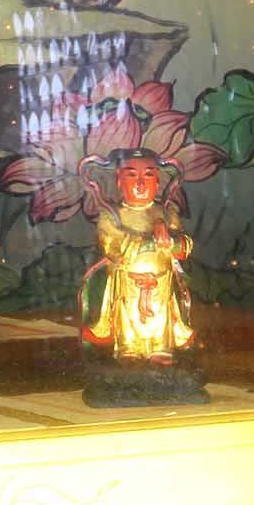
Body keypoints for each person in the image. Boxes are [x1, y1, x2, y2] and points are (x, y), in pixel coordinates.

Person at [78, 148, 196, 364]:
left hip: (161, 281)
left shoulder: (166, 213)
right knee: (126, 312)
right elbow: (112, 248)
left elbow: (185, 246)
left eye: (148, 176)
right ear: (119, 180)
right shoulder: (111, 216)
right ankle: (127, 347)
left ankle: (161, 347)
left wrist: (170, 239)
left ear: (157, 181)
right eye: (132, 176)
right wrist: (148, 239)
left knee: (161, 312)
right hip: (127, 282)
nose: (140, 184)